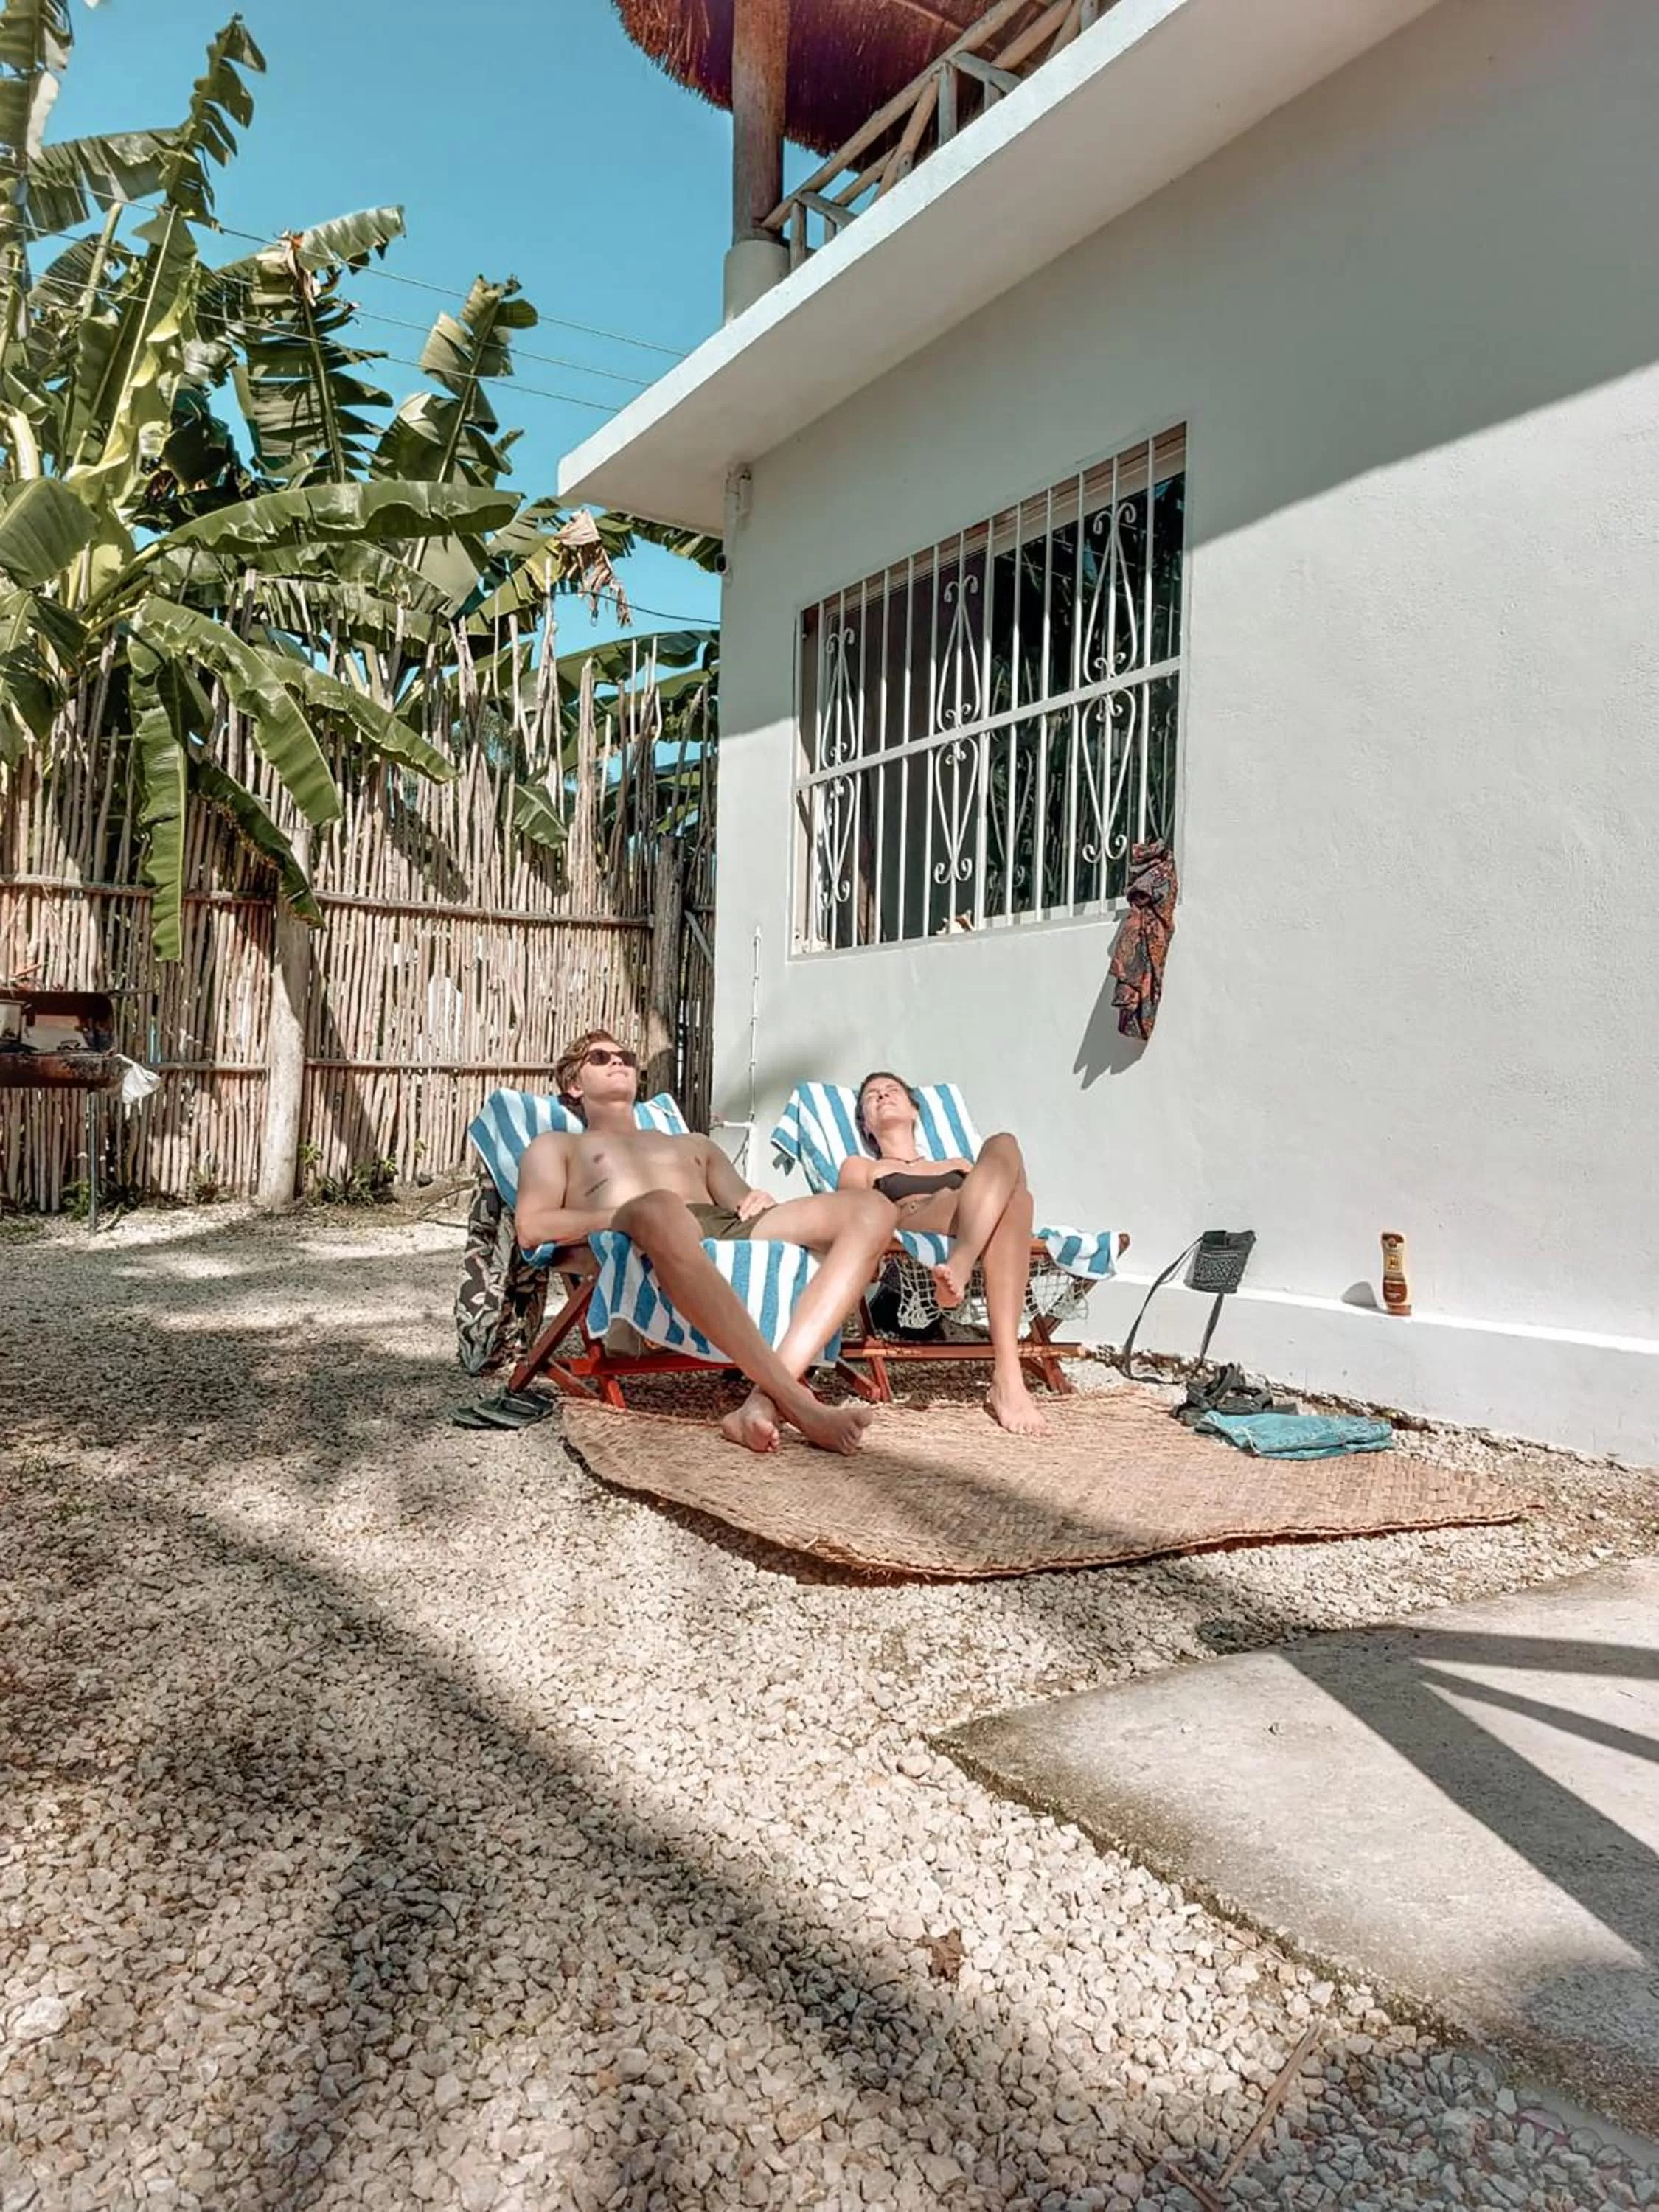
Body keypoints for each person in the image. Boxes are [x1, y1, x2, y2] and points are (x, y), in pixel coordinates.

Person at [515, 1031, 898, 1455]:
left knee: (873, 1208)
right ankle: (800, 1407)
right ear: (574, 1084)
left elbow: (740, 1202)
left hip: (721, 1224)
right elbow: (533, 1227)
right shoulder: (559, 1146)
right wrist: (627, 1213)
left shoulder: (693, 1144)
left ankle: (763, 1401)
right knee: (661, 1204)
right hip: (638, 1225)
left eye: (625, 1056)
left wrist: (756, 1197)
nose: (619, 1062)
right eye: (601, 1057)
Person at [838, 1073, 1052, 1436]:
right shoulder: (862, 1166)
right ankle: (1009, 1378)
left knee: (1006, 1150)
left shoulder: (957, 1162)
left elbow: (1009, 1187)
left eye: (893, 1091)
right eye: (872, 1097)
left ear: (914, 1111)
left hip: (973, 1223)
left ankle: (963, 1268)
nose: (883, 1095)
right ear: (866, 1125)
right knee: (964, 1197)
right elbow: (851, 1214)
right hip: (915, 1217)